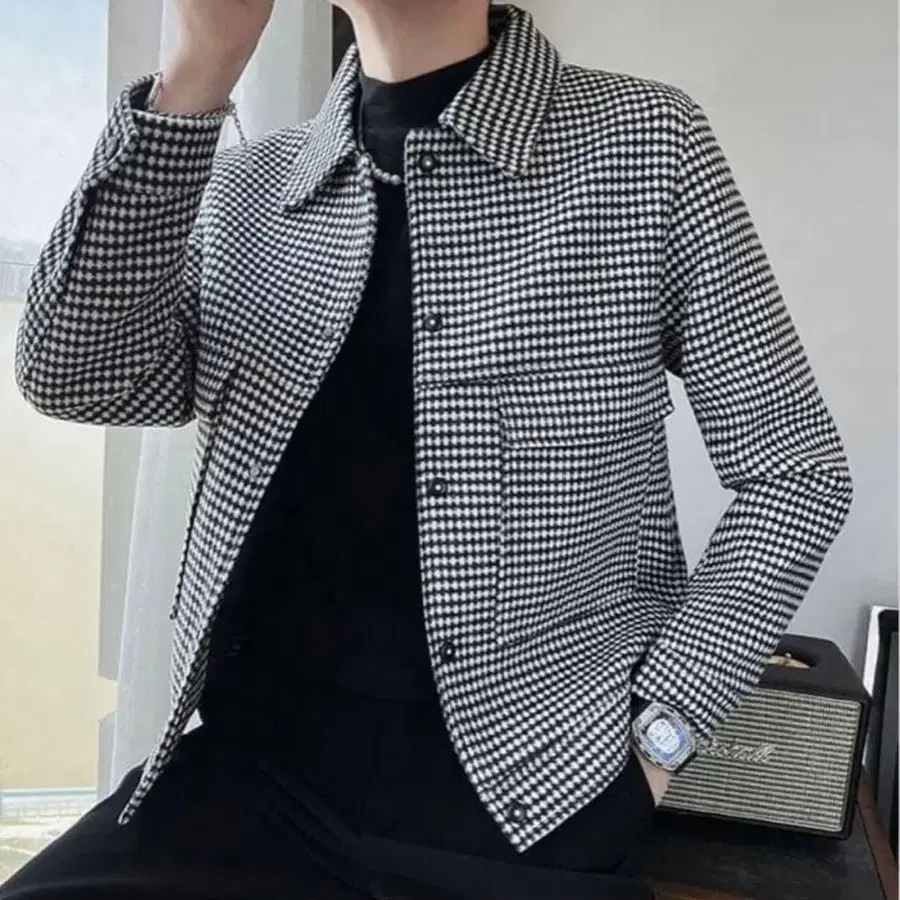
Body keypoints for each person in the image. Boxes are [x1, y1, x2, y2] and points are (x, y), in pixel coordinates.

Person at [5, 1, 853, 898]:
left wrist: (662, 734)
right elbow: (78, 376)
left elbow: (796, 472)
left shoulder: (642, 144)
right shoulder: (255, 186)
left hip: (526, 810)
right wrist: (199, 70)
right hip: (249, 785)